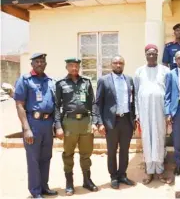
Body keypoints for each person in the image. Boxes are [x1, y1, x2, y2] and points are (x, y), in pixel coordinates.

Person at [13, 53, 58, 198]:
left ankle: (44, 187)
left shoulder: (50, 81)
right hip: (33, 124)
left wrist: (56, 125)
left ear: (45, 64)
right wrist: (26, 128)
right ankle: (35, 191)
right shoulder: (25, 80)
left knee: (46, 157)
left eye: (42, 61)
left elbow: (56, 104)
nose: (40, 64)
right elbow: (19, 105)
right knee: (33, 159)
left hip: (48, 123)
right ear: (32, 64)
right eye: (37, 61)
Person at [54, 58, 98, 195]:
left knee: (86, 154)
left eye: (76, 66)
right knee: (68, 154)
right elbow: (56, 106)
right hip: (69, 123)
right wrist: (58, 126)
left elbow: (93, 103)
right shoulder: (61, 84)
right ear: (66, 67)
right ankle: (69, 183)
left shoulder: (86, 82)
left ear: (79, 67)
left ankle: (87, 180)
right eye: (71, 66)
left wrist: (95, 121)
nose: (74, 68)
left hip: (85, 122)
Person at [95, 56, 136, 189]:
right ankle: (113, 176)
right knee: (112, 150)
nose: (118, 65)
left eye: (121, 63)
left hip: (126, 120)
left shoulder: (129, 80)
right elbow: (98, 104)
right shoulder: (103, 80)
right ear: (111, 65)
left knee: (125, 150)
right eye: (115, 63)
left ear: (124, 65)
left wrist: (134, 119)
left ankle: (122, 175)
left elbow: (133, 101)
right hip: (111, 121)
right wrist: (99, 122)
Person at [134, 44, 172, 184]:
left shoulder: (165, 71)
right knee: (147, 139)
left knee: (159, 139)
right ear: (145, 55)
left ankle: (160, 170)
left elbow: (168, 93)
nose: (152, 56)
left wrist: (168, 112)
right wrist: (137, 113)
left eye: (154, 54)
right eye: (149, 54)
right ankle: (149, 171)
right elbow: (136, 94)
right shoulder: (139, 71)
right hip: (144, 111)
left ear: (157, 55)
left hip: (160, 110)